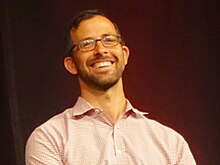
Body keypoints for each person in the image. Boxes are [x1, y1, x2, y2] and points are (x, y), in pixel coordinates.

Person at [25, 10, 196, 164]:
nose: (100, 50)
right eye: (87, 43)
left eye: (109, 40)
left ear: (125, 54)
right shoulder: (50, 138)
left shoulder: (170, 142)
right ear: (71, 65)